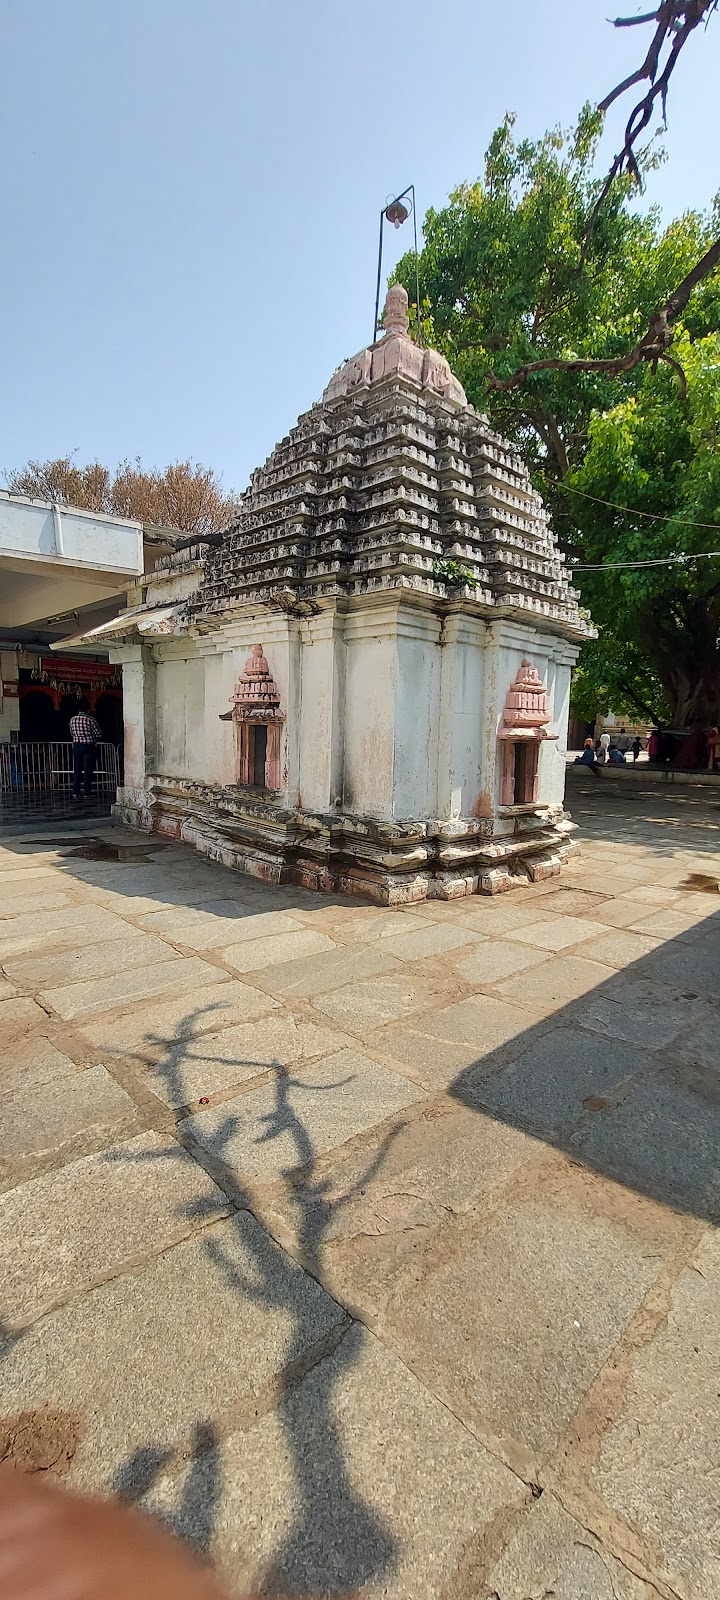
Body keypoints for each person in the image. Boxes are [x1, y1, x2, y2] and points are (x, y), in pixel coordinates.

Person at [68, 698, 102, 802]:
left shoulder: (72, 719)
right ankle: (87, 792)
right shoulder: (91, 720)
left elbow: (72, 733)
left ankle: (75, 792)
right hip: (88, 746)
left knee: (77, 770)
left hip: (77, 746)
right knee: (88, 770)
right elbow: (98, 733)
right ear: (88, 709)